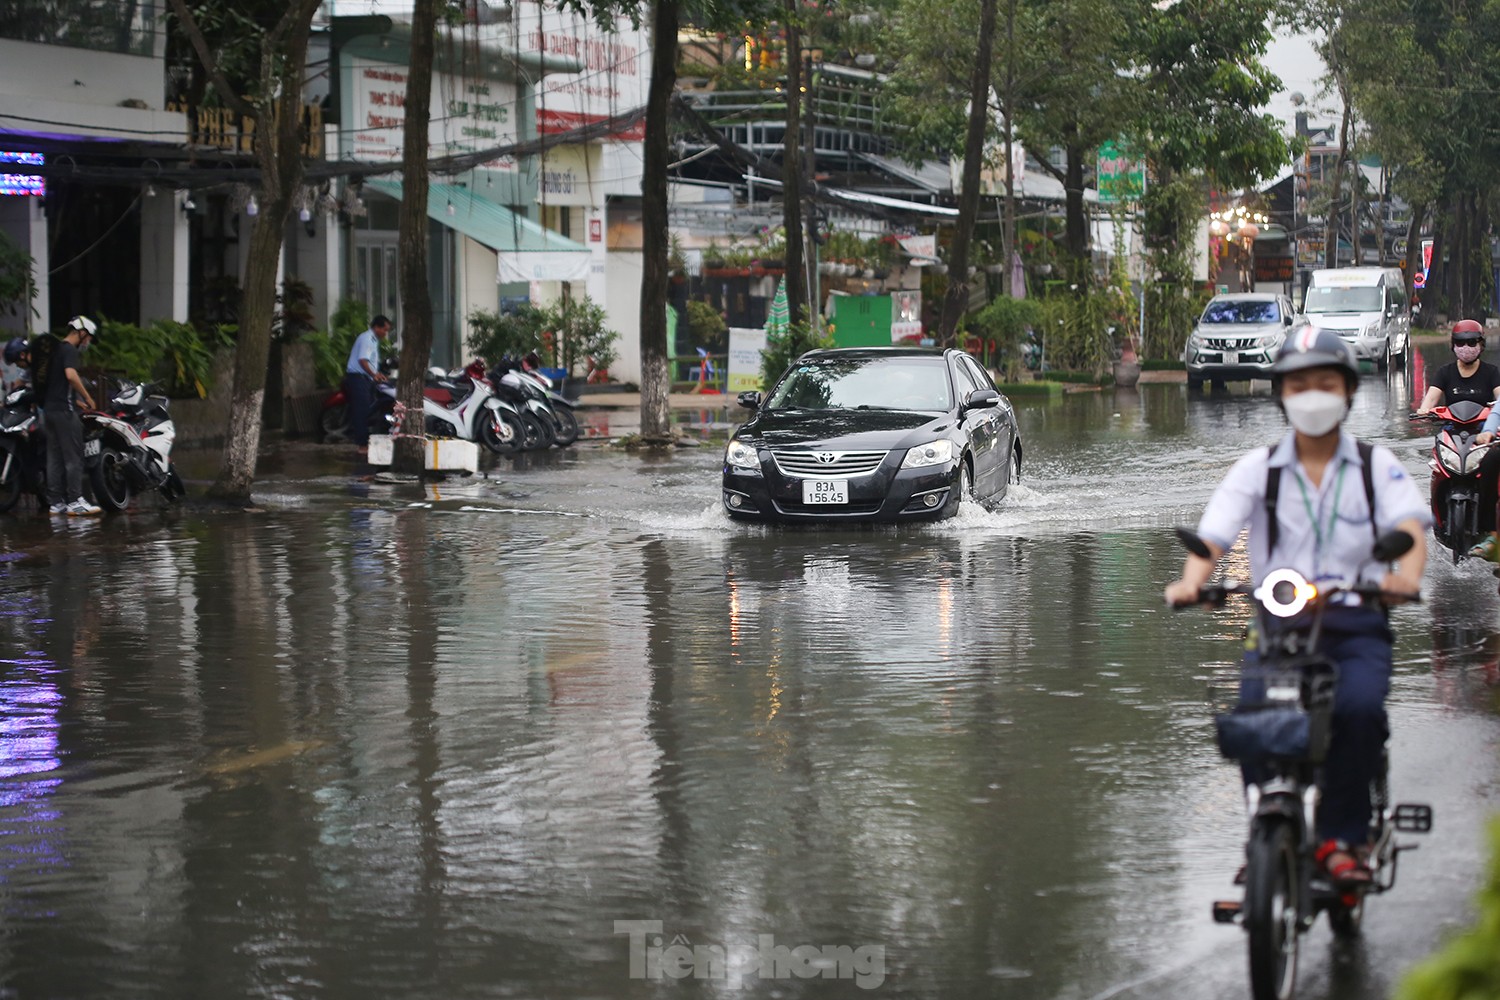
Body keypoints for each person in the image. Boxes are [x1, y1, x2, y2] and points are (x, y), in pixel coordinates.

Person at [1164, 326, 1429, 887]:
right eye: (1299, 383)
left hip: (1357, 622)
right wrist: (1191, 584)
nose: (1313, 394)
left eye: (1325, 383)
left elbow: (1410, 527)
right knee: (1254, 717)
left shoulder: (1375, 467)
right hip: (1279, 621)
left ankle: (1343, 837)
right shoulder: (1256, 469)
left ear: (1348, 392)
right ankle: (1267, 820)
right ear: (1281, 392)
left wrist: (1404, 579)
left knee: (1358, 711)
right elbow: (1212, 539)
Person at [1415, 319, 1500, 556]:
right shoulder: (1445, 373)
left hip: (1482, 436)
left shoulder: (1492, 373)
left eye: (1471, 342)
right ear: (1453, 346)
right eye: (1461, 343)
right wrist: (1424, 412)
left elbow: (1499, 403)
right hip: (1452, 434)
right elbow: (1430, 401)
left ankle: (1490, 529)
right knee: (1436, 469)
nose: (1466, 347)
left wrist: (1491, 427)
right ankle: (1438, 513)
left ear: (1481, 345)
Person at [42, 316, 101, 516]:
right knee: (73, 457)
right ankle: (75, 501)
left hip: (49, 411)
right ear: (81, 332)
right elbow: (70, 376)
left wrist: (77, 401)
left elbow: (54, 385)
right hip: (65, 413)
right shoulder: (69, 350)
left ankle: (55, 503)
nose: (88, 342)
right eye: (89, 337)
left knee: (54, 458)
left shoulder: (54, 350)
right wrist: (87, 396)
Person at [343, 314, 391, 448]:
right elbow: (362, 360)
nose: (385, 333)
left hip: (364, 378)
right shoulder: (367, 339)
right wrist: (373, 374)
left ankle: (364, 440)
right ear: (376, 327)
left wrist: (377, 374)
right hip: (358, 378)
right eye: (384, 330)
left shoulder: (372, 339)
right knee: (361, 411)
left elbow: (369, 361)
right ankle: (362, 445)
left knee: (366, 409)